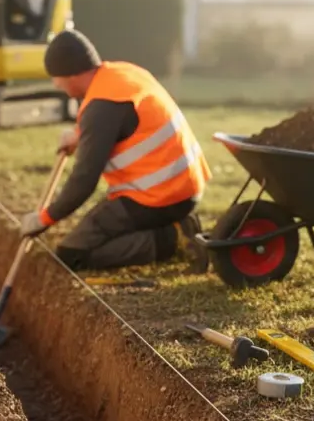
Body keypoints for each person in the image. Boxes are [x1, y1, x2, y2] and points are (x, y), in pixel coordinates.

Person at [19, 29, 212, 274]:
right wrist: (79, 135)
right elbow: (119, 124)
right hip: (183, 187)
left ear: (71, 74)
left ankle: (171, 239)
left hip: (158, 197)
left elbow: (84, 181)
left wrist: (43, 219)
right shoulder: (120, 74)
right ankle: (175, 226)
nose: (55, 84)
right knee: (95, 230)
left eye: (55, 77)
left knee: (72, 254)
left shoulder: (102, 108)